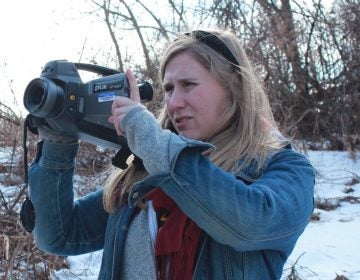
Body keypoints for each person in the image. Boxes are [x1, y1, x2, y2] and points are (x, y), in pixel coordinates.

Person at [29, 29, 315, 280]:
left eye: (188, 85)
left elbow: (248, 224)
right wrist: (57, 141)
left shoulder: (283, 167)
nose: (174, 102)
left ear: (234, 89)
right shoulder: (146, 175)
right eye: (168, 89)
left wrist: (150, 140)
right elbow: (59, 236)